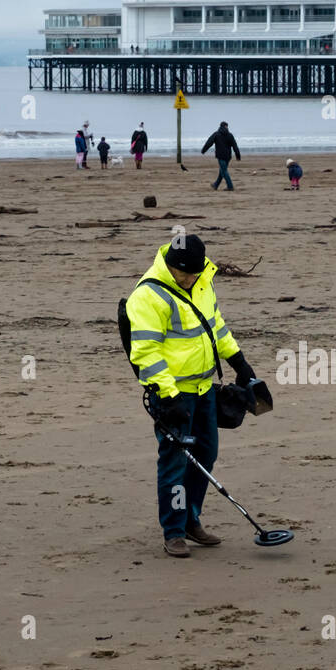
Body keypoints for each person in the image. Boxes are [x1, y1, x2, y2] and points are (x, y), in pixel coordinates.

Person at [125, 232, 258, 558]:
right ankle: (173, 531)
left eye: (195, 273)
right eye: (184, 273)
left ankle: (190, 519)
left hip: (204, 390)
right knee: (174, 463)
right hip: (172, 395)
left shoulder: (201, 282)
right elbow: (146, 352)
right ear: (170, 265)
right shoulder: (147, 297)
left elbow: (215, 326)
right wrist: (168, 398)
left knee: (205, 456)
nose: (190, 279)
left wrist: (238, 360)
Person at [201, 120, 241, 191]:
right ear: (226, 126)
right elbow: (235, 146)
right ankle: (215, 185)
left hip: (220, 156)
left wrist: (203, 150)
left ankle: (230, 186)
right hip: (228, 156)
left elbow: (209, 142)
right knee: (222, 171)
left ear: (220, 126)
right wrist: (238, 155)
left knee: (224, 171)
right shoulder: (230, 135)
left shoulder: (216, 134)